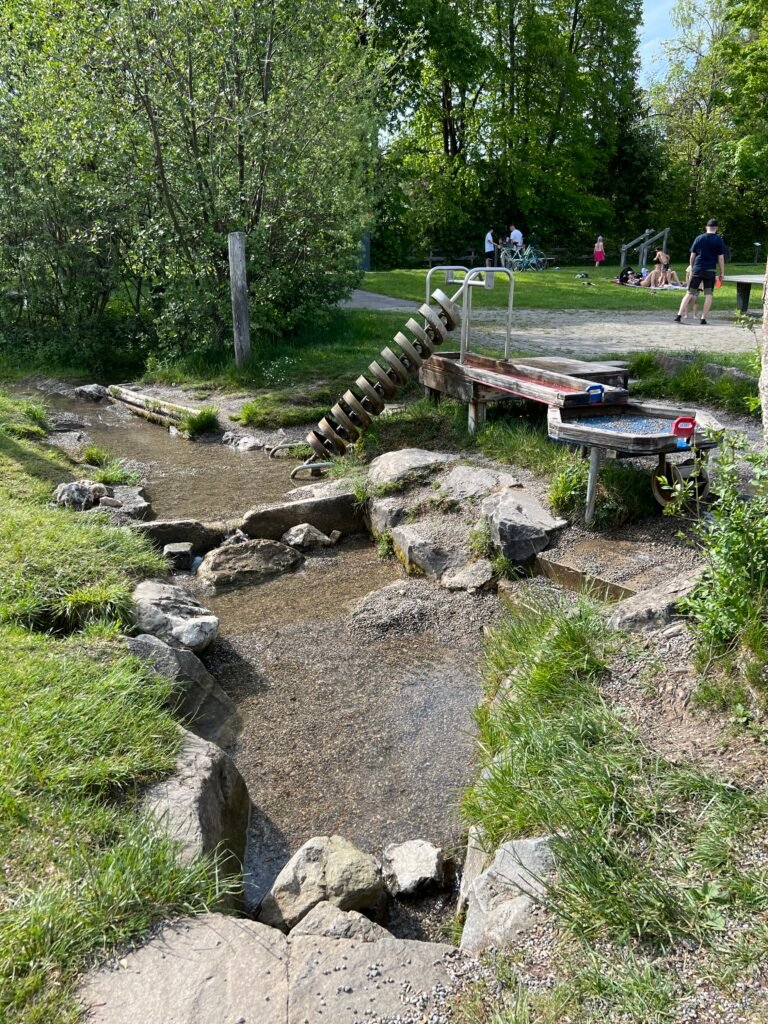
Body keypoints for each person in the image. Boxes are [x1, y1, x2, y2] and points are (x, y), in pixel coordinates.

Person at [674, 219, 726, 325]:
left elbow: (692, 256)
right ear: (716, 228)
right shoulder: (719, 240)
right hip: (710, 270)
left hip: (697, 269)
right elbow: (720, 258)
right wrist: (722, 273)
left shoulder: (699, 238)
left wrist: (692, 268)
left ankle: (679, 315)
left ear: (706, 227)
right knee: (708, 294)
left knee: (689, 293)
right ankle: (703, 318)